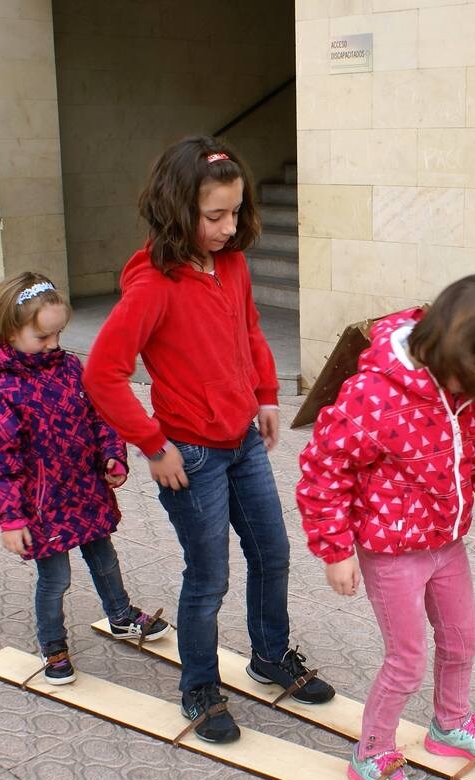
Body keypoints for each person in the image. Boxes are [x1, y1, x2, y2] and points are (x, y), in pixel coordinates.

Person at [83, 136, 335, 744]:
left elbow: (248, 330)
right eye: (214, 216)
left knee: (273, 553)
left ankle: (270, 657)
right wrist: (151, 443)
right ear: (176, 210)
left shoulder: (232, 264)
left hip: (242, 440)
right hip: (189, 455)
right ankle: (198, 685)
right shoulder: (153, 286)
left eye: (235, 211)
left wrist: (267, 395)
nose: (228, 227)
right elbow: (101, 374)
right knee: (209, 576)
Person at [295, 275, 475, 780]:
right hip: (391, 553)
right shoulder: (376, 393)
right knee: (406, 660)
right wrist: (335, 549)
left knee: (461, 639)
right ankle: (372, 754)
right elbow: (324, 468)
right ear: (452, 353)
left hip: (446, 544)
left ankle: (450, 723)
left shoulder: (468, 394)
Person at [0, 272, 167, 686]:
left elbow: (100, 415)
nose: (54, 345)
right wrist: (11, 520)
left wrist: (113, 455)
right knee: (55, 579)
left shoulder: (69, 368)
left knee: (105, 560)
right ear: (9, 332)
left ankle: (121, 616)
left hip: (85, 491)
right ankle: (53, 644)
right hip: (41, 507)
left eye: (58, 334)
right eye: (43, 337)